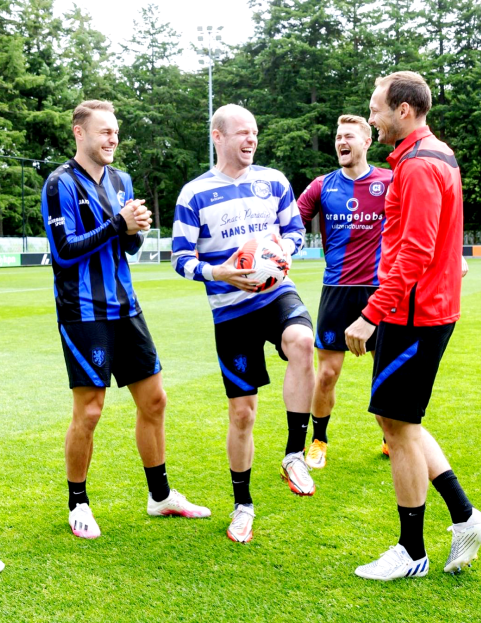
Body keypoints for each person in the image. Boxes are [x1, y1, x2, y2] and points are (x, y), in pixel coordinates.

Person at [344, 72, 481, 580]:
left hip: (415, 315)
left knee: (399, 427)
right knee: (397, 421)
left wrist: (370, 315)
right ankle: (465, 516)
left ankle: (412, 552)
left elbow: (416, 249)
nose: (371, 118)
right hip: (418, 309)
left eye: (376, 109)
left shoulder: (420, 165)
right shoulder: (427, 155)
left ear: (403, 110)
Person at [41, 100, 210, 539]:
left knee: (155, 400)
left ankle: (160, 496)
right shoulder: (60, 183)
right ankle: (78, 503)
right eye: (104, 131)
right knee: (90, 410)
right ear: (80, 133)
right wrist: (119, 223)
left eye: (115, 131)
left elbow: (128, 247)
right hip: (83, 311)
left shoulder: (122, 180)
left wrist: (132, 230)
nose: (112, 138)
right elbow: (64, 251)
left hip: (126, 307)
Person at [171, 104, 316, 543]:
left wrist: (279, 254)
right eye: (241, 133)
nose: (250, 140)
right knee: (242, 413)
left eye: (254, 133)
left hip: (274, 293)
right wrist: (221, 273)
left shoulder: (273, 181)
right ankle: (242, 505)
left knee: (303, 342)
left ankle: (294, 453)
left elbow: (295, 231)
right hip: (231, 309)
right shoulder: (193, 194)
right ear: (218, 137)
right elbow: (180, 259)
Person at [298, 115, 392, 468]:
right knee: (327, 374)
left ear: (366, 142)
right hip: (336, 290)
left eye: (348, 136)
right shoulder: (322, 186)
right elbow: (292, 221)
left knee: (383, 372)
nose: (341, 141)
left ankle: (390, 437)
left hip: (380, 292)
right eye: (338, 137)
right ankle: (319, 440)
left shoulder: (390, 181)